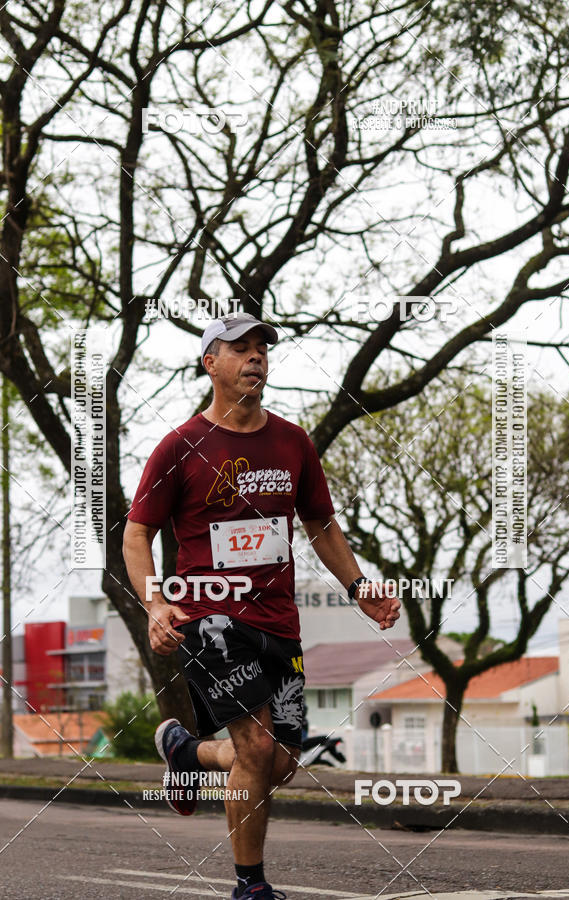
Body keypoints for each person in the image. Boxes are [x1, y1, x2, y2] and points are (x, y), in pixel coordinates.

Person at [123, 312, 400, 900]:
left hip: (278, 620)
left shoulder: (293, 441)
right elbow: (136, 534)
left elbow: (320, 523)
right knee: (254, 747)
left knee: (279, 762)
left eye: (261, 349)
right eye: (240, 349)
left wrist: (359, 588)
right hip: (210, 617)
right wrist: (155, 605)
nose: (255, 357)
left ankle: (187, 751)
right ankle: (251, 887)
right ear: (211, 364)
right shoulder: (179, 446)